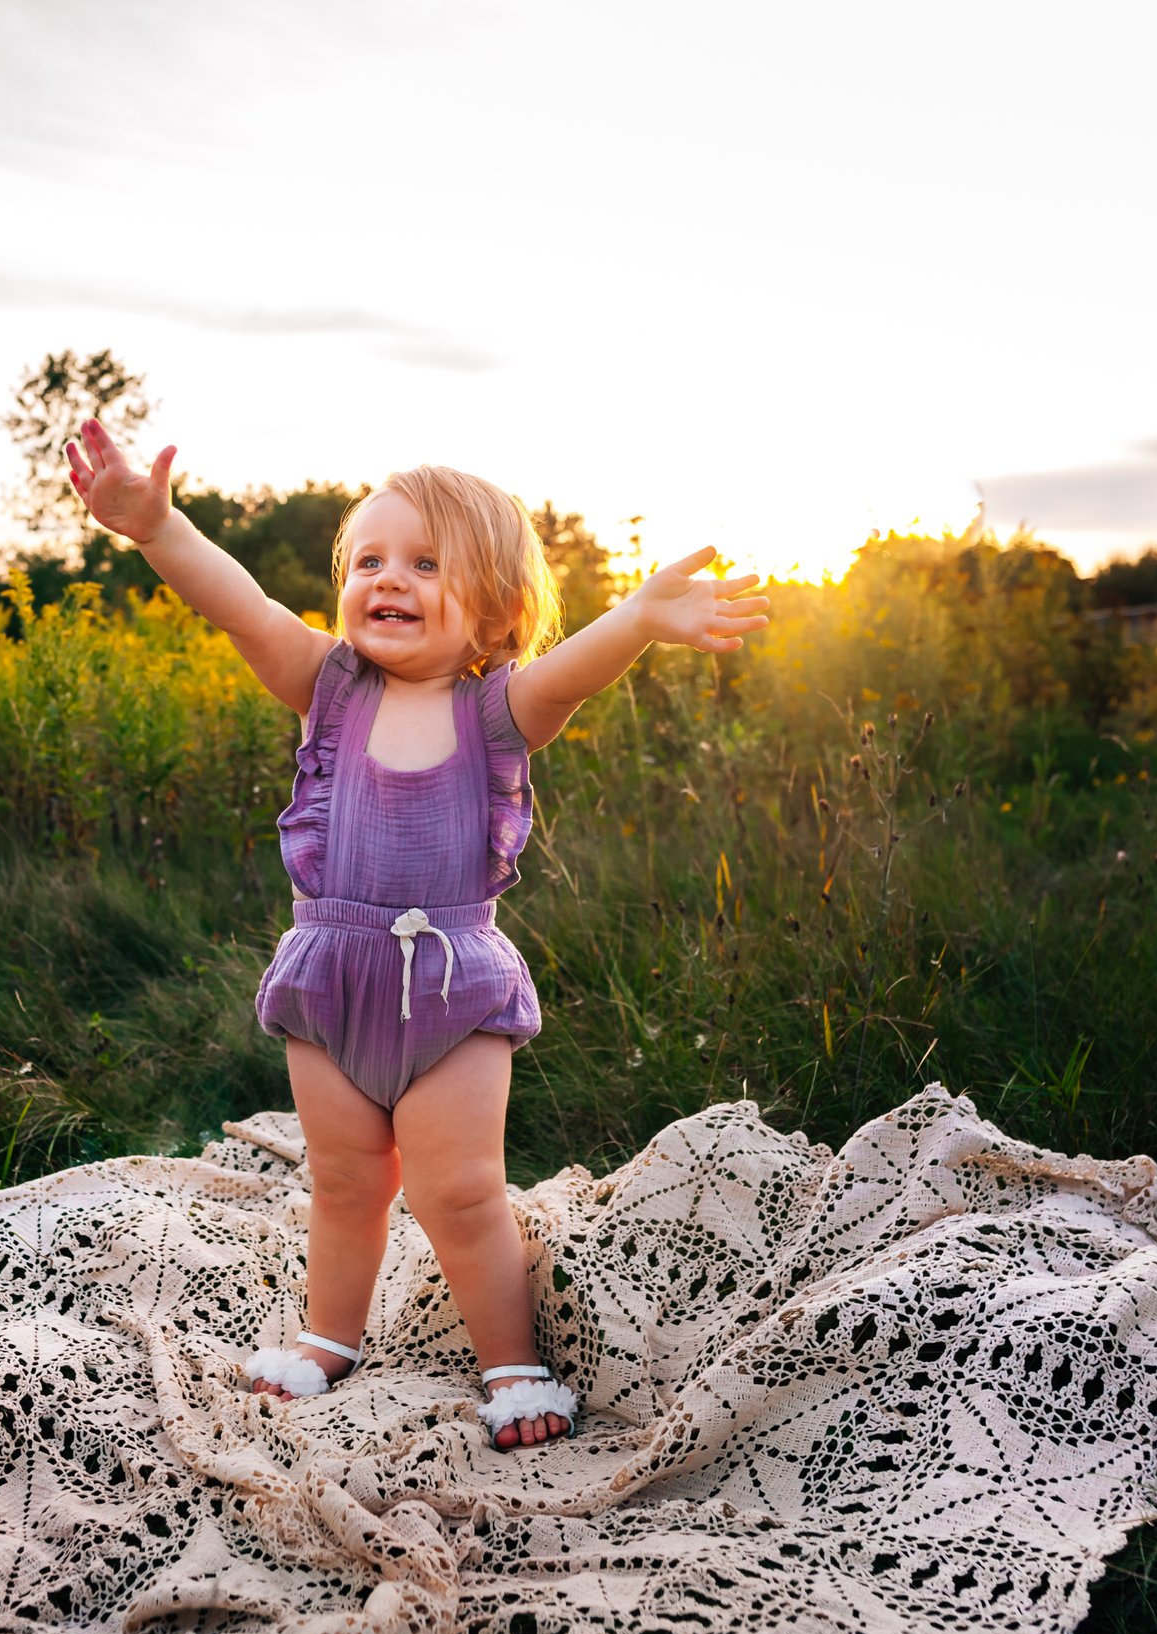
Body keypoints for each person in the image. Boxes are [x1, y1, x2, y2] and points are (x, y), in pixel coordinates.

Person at [64, 419, 767, 1448]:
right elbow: (243, 606)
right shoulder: (327, 689)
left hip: (451, 989)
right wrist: (158, 529)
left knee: (460, 1188)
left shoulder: (498, 713)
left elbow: (571, 670)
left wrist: (640, 615)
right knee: (345, 1182)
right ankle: (329, 1337)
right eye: (369, 559)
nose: (388, 578)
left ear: (492, 609)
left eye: (426, 563)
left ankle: (513, 1364)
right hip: (330, 978)